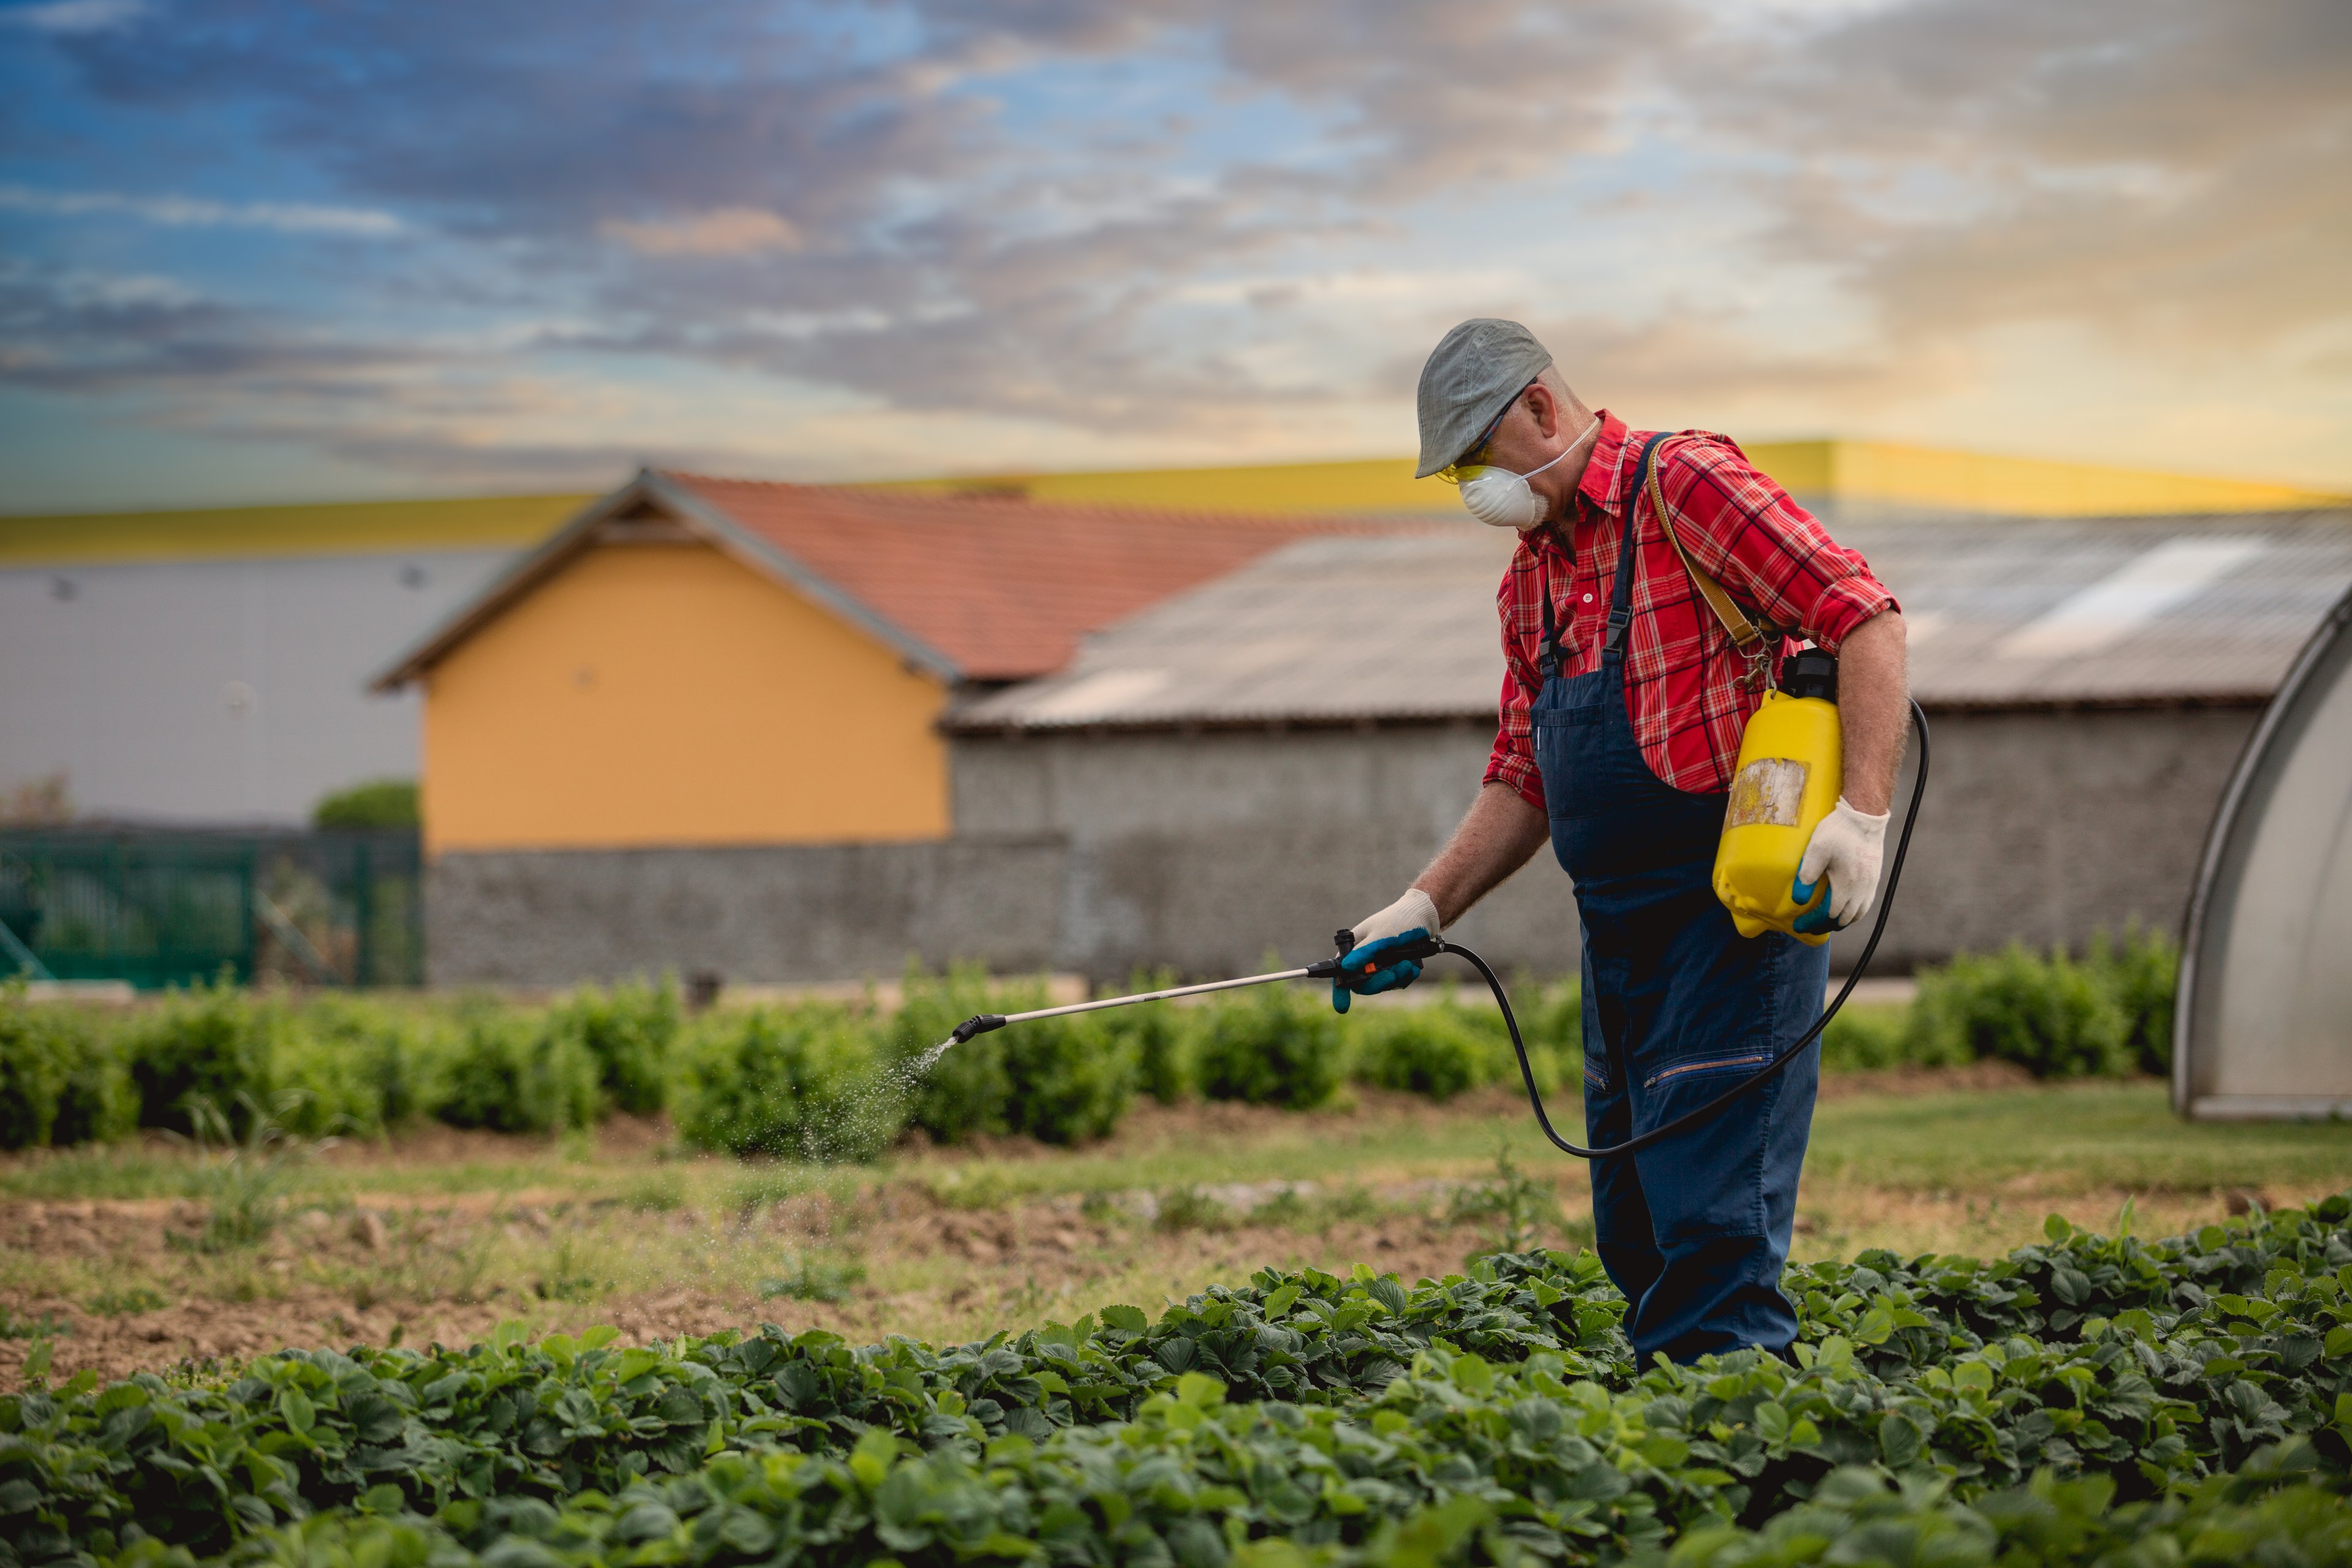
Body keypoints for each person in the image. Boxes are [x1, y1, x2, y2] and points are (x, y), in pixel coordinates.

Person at [1335, 318, 1908, 1365]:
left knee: (1711, 1236)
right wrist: (1424, 906)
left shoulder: (1684, 486)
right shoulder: (1532, 577)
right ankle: (1678, 1458)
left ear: (1541, 410)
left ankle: (1750, 1480)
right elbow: (1523, 771)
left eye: (1474, 456)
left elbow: (1863, 617)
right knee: (1638, 1231)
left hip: (1730, 925)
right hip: (1619, 941)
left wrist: (1860, 816)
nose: (1472, 488)